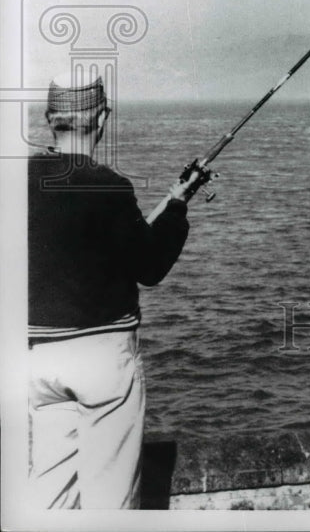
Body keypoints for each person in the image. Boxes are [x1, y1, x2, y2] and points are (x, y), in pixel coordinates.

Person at [28, 71, 192, 509]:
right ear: (102, 118)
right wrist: (176, 208)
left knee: (49, 490)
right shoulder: (110, 187)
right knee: (111, 496)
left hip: (36, 358)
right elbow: (150, 267)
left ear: (50, 119)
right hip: (103, 358)